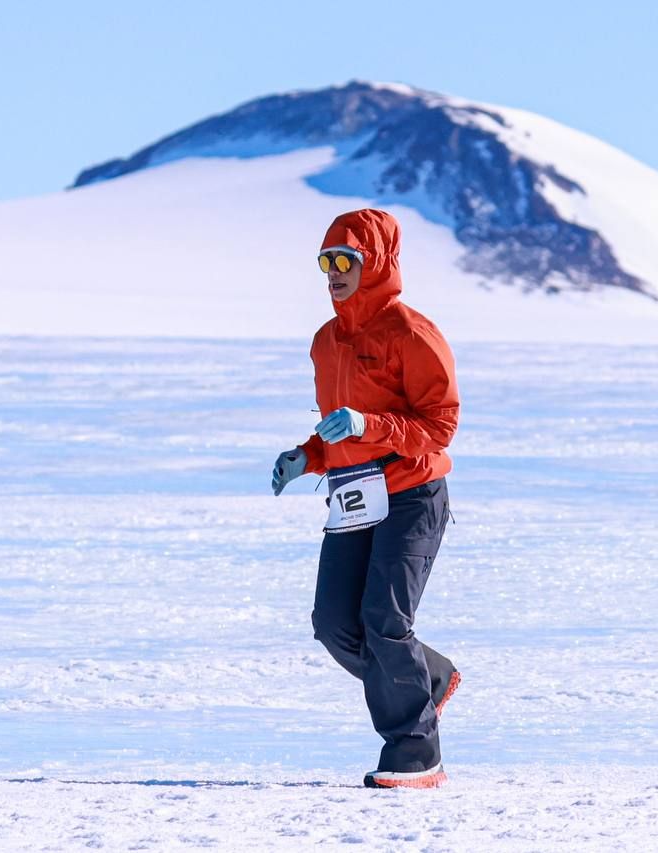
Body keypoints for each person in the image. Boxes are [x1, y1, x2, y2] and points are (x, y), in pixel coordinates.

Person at [270, 208, 461, 789]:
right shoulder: (326, 342)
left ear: (374, 263)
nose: (334, 272)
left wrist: (368, 425)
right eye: (326, 261)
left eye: (345, 260)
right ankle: (427, 678)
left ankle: (415, 751)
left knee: (385, 621)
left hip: (413, 494)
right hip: (354, 496)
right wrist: (308, 457)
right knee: (334, 624)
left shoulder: (412, 333)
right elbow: (338, 430)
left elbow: (440, 426)